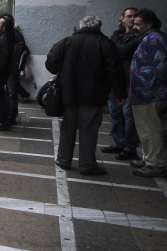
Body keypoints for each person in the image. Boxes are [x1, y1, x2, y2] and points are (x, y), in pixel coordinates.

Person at [46, 15, 126, 175]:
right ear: (98, 27)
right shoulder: (106, 43)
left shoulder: (67, 41)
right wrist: (120, 93)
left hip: (69, 92)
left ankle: (63, 160)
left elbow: (51, 63)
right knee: (89, 130)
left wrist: (64, 72)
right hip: (94, 94)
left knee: (68, 128)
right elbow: (115, 71)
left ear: (81, 26)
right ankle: (87, 165)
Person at [129, 9, 167, 178]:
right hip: (147, 92)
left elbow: (161, 67)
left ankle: (155, 164)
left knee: (150, 130)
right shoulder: (156, 38)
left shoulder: (153, 39)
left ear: (149, 24)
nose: (134, 27)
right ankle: (148, 159)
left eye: (138, 24)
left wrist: (164, 84)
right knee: (146, 130)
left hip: (149, 93)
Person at [102, 7, 141, 161]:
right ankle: (119, 143)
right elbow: (108, 51)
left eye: (134, 16)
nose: (132, 19)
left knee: (128, 114)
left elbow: (121, 51)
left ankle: (130, 147)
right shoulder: (116, 35)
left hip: (132, 81)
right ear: (123, 19)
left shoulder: (140, 37)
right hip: (115, 80)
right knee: (115, 113)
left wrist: (117, 50)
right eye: (129, 16)